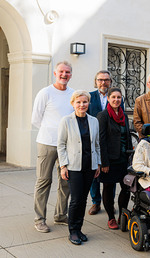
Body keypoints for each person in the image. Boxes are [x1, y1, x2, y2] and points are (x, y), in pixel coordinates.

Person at [31, 61, 75, 233]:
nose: (64, 75)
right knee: (44, 181)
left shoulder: (73, 94)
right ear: (55, 73)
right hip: (47, 143)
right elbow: (35, 119)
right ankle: (39, 219)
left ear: (71, 74)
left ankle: (60, 215)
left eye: (68, 72)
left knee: (66, 181)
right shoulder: (45, 93)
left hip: (67, 145)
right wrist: (51, 131)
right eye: (61, 72)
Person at [57, 90, 101, 245]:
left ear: (88, 103)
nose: (82, 105)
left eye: (85, 102)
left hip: (90, 165)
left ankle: (79, 228)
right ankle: (73, 231)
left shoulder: (94, 121)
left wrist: (98, 164)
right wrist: (63, 166)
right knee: (76, 200)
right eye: (78, 102)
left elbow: (97, 144)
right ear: (73, 103)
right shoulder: (66, 121)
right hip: (73, 166)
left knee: (83, 199)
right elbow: (61, 145)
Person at [87, 70, 124, 216]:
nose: (104, 83)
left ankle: (110, 203)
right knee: (95, 173)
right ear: (96, 81)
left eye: (107, 80)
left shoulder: (116, 97)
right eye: (100, 80)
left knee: (111, 176)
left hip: (110, 142)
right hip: (92, 140)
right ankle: (96, 202)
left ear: (111, 82)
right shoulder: (90, 97)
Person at [97, 87, 132, 229]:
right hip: (110, 160)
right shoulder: (103, 116)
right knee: (108, 187)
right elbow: (101, 140)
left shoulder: (124, 116)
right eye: (113, 97)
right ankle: (111, 217)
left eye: (119, 97)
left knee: (126, 187)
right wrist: (104, 162)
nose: (116, 100)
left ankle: (122, 215)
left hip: (124, 159)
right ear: (109, 99)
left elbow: (128, 137)